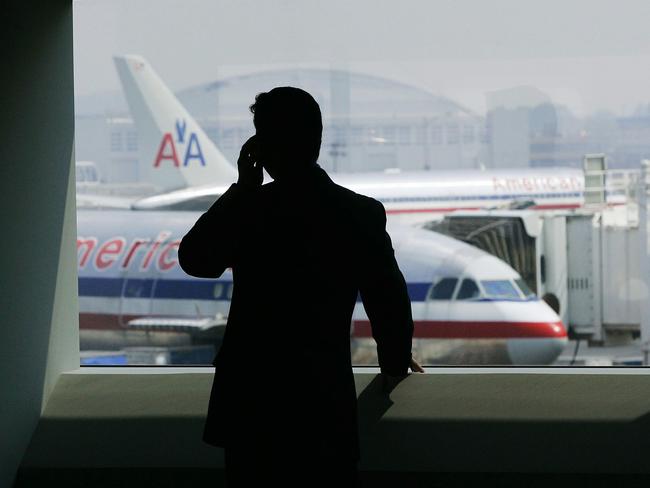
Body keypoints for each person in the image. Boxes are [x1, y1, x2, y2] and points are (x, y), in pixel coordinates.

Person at [178, 87, 421, 487]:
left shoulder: (251, 210)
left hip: (251, 405)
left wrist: (241, 188)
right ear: (318, 139)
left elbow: (195, 259)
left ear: (260, 146)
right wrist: (394, 366)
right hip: (322, 401)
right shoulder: (359, 212)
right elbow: (388, 301)